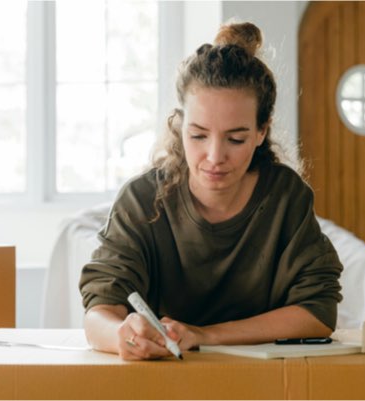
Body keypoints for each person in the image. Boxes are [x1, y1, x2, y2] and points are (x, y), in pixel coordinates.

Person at [79, 21, 343, 361]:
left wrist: (205, 335)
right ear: (179, 125)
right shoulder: (141, 200)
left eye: (236, 139)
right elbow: (99, 311)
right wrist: (122, 335)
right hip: (161, 381)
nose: (215, 157)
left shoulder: (285, 196)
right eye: (198, 135)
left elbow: (318, 313)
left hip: (260, 384)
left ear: (262, 131)